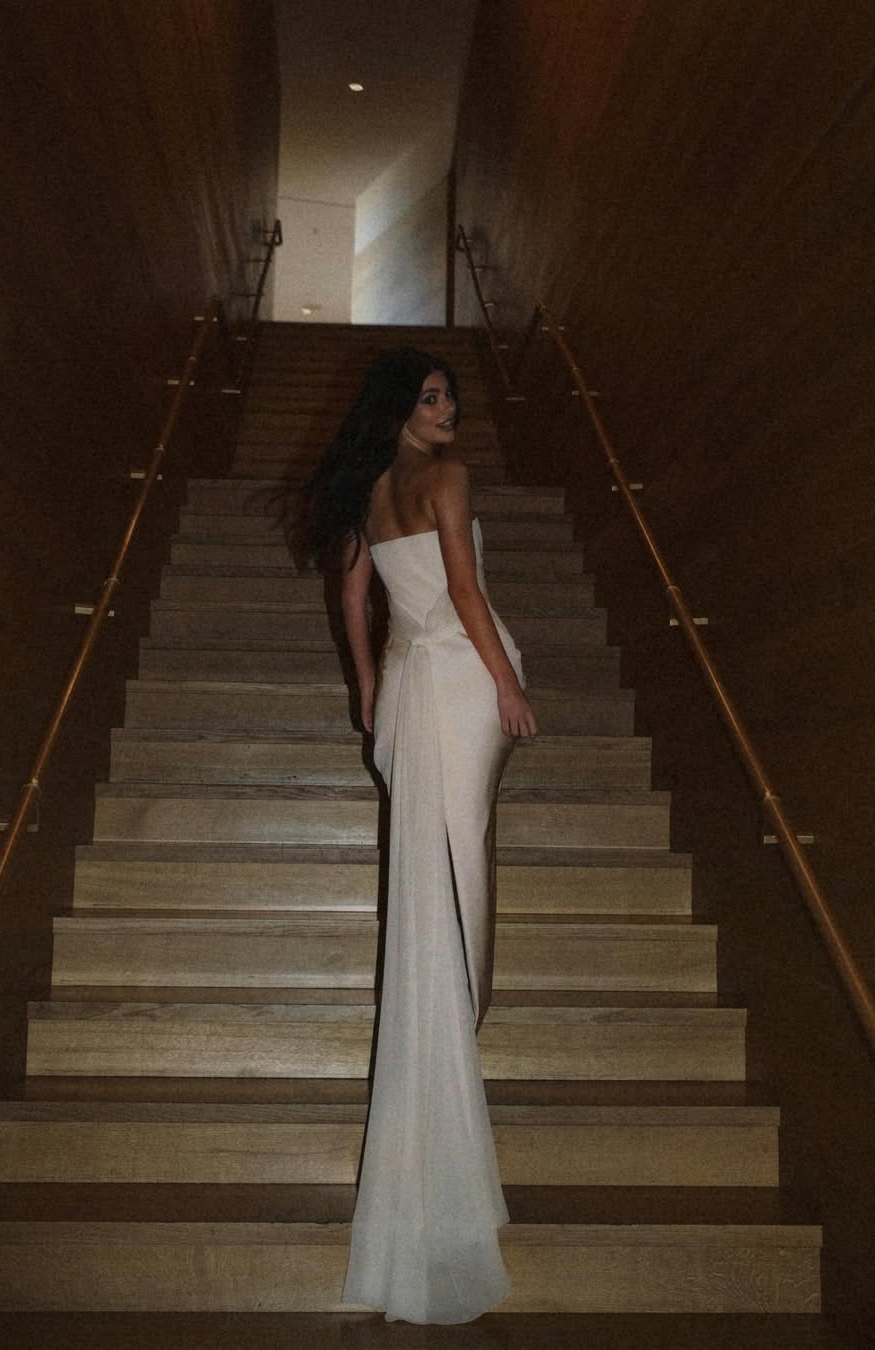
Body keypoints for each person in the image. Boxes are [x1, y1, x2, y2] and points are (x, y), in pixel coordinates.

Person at [303, 346, 537, 1324]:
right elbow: (466, 592)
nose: (448, 410)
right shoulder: (447, 478)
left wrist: (368, 685)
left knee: (441, 868)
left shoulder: (364, 492)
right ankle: (458, 1022)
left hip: (407, 686)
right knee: (463, 863)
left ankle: (444, 1032)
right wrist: (508, 684)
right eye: (432, 397)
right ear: (400, 405)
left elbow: (354, 598)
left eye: (452, 397)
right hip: (458, 678)